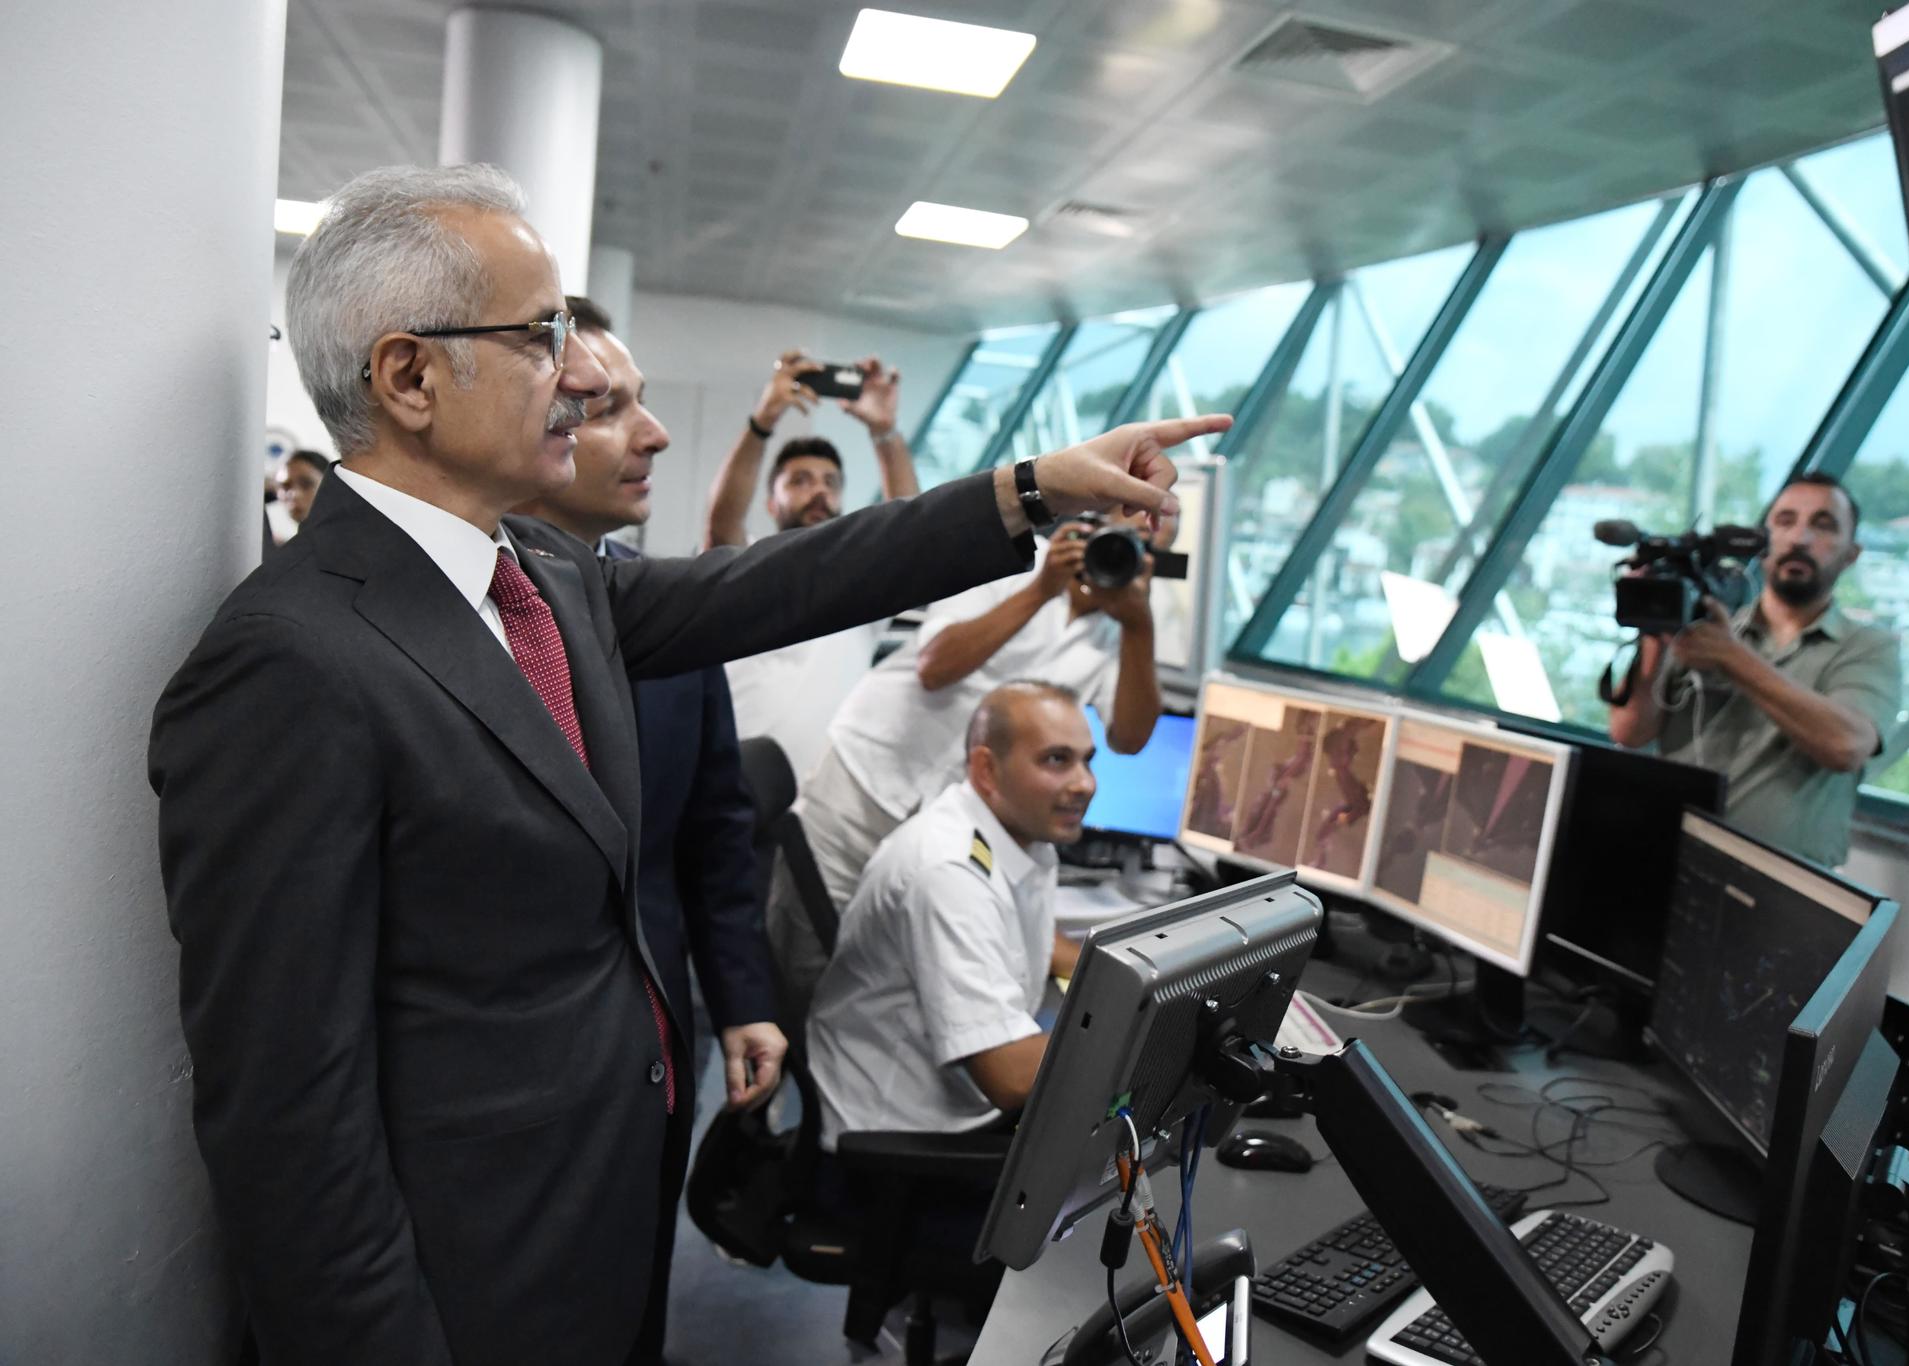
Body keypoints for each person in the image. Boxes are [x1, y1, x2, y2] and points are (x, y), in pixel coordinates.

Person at [148, 162, 1223, 1366]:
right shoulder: (291, 662)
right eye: (541, 336)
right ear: (408, 376)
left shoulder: (549, 579)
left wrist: (1025, 491)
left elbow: (789, 580)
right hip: (463, 1262)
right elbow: (287, 1114)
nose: (575, 376)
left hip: (607, 1195)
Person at [508, 294, 782, 1362]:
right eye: (608, 406)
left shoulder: (664, 611)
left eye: (643, 403)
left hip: (657, 1055)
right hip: (516, 1091)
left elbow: (714, 831)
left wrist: (741, 1001)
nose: (653, 434)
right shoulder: (448, 633)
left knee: (631, 1311)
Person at [793, 513, 1166, 922]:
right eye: (1115, 537)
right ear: (1089, 523)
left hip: (941, 825)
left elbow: (1129, 739)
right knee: (805, 940)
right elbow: (935, 667)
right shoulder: (1009, 562)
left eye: (1138, 546)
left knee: (885, 959)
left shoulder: (1123, 630)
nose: (1117, 554)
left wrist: (1138, 624)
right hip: (864, 780)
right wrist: (1042, 590)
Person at [805, 680, 1093, 1205]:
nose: (1084, 784)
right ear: (986, 770)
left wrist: (1146, 977)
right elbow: (1008, 1078)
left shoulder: (1013, 831)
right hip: (897, 1143)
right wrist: (1147, 1039)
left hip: (946, 1108)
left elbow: (1036, 939)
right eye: (1056, 760)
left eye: (1086, 761)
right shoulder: (949, 872)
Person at [1607, 472, 1902, 868]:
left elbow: (1846, 746)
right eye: (1785, 521)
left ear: (1852, 553)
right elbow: (1630, 731)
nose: (1800, 538)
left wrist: (1733, 658)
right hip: (1670, 860)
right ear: (1762, 543)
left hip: (1784, 888)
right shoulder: (1700, 628)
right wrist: (1656, 636)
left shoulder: (1867, 647)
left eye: (1824, 525)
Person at [704, 350, 918, 781]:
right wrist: (764, 419)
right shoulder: (745, 568)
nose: (819, 491)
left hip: (820, 812)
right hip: (731, 792)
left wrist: (884, 431)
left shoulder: (857, 581)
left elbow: (911, 532)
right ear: (771, 502)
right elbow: (722, 523)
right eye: (800, 481)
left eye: (830, 483)